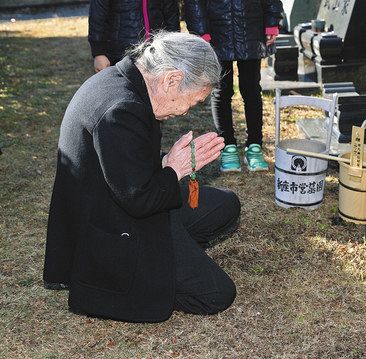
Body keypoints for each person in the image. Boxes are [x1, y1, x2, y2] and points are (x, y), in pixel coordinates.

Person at [43, 32, 241, 323]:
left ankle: (172, 255)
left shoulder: (126, 82)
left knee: (225, 204)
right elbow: (139, 199)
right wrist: (175, 169)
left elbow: (124, 163)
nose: (186, 111)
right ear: (171, 80)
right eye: (192, 101)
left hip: (119, 204)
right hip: (115, 230)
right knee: (217, 294)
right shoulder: (120, 109)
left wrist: (165, 161)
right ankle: (155, 272)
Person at [184, 0, 283, 172]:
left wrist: (272, 22)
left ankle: (254, 145)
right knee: (221, 90)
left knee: (251, 89)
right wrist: (201, 31)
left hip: (250, 25)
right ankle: (227, 146)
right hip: (217, 29)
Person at [88, 0, 182, 72]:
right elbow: (97, 16)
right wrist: (99, 53)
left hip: (157, 51)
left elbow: (171, 16)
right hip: (120, 53)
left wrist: (173, 47)